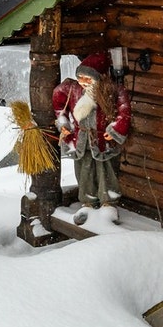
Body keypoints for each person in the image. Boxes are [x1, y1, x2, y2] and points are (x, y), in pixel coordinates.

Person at [51, 52, 131, 220]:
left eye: (88, 78)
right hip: (81, 139)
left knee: (106, 171)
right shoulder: (73, 88)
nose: (83, 81)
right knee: (84, 170)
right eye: (80, 77)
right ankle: (87, 203)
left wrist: (115, 130)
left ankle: (108, 204)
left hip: (103, 140)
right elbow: (59, 100)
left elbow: (124, 111)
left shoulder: (112, 90)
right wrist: (64, 124)